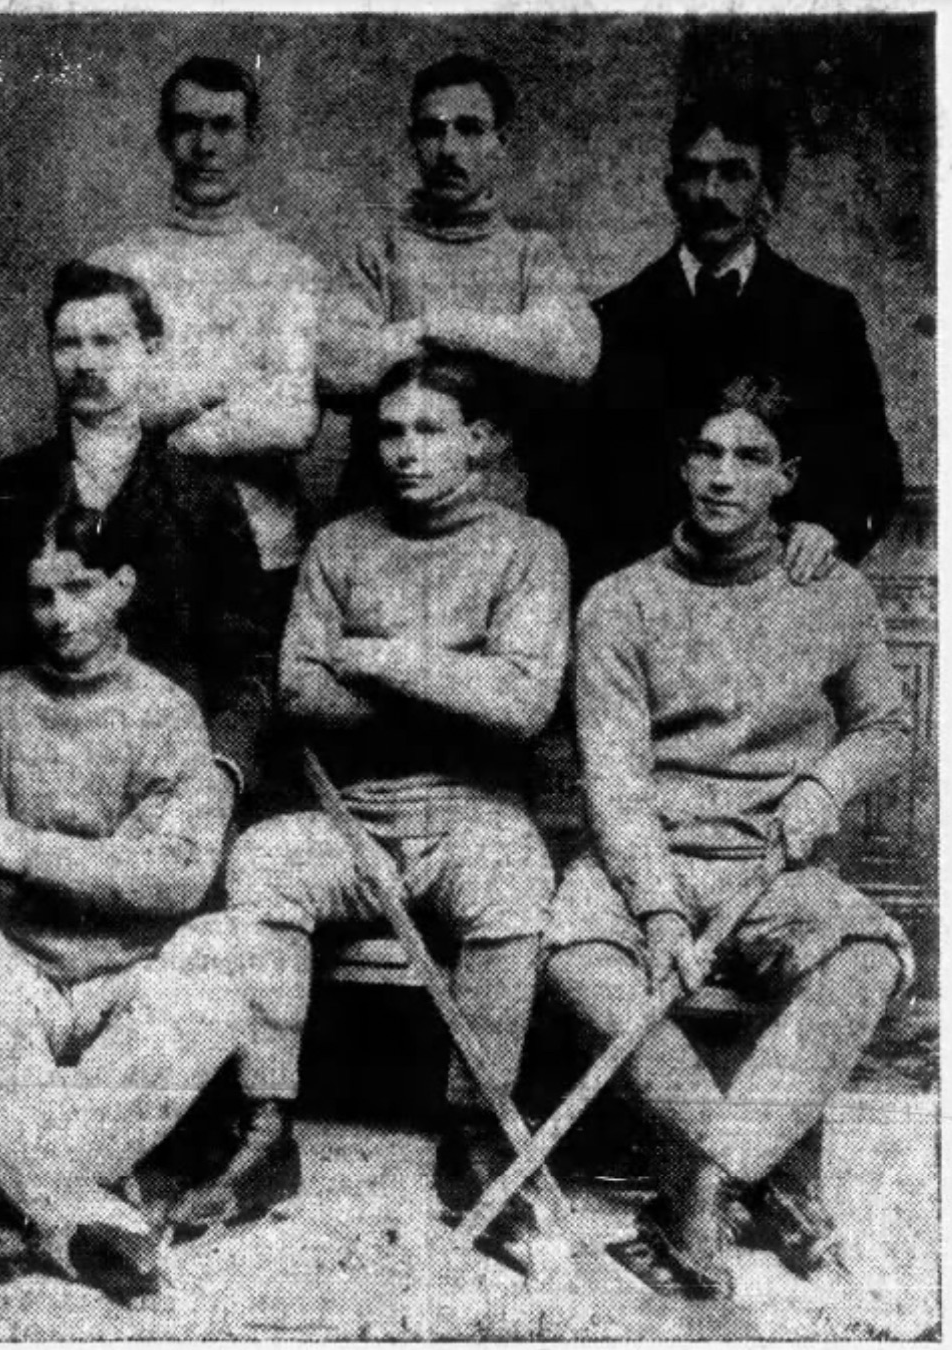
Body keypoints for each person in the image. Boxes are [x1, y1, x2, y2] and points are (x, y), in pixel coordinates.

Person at [183, 354, 569, 1272]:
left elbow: (521, 704)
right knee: (265, 861)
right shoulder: (338, 546)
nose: (405, 451)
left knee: (515, 874)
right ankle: (265, 1126)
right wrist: (457, 684)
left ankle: (476, 1134)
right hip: (350, 814)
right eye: (390, 432)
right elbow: (300, 694)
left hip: (473, 812)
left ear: (481, 441)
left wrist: (379, 656)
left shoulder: (529, 548)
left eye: (430, 430)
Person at [547, 374, 911, 1299]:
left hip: (773, 866)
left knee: (867, 956)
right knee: (580, 960)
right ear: (681, 465)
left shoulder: (834, 593)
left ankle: (704, 1180)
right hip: (646, 857)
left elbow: (885, 727)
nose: (722, 476)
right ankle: (750, 1169)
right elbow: (616, 781)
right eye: (706, 453)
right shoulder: (620, 602)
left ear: (787, 477)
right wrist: (660, 910)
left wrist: (825, 783)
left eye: (751, 458)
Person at [0, 507, 244, 1304]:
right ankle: (83, 1208)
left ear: (122, 586)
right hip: (15, 977)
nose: (60, 615)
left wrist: (24, 852)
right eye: (41, 596)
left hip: (127, 980)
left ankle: (38, 1197)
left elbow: (176, 879)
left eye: (80, 589)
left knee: (232, 951)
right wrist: (107, 868)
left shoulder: (166, 712)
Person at [0, 259, 274, 816]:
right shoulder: (3, 492)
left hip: (165, 777)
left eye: (107, 341)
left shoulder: (202, 498)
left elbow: (247, 664)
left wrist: (221, 770)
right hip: (30, 774)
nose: (86, 362)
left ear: (150, 349)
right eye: (67, 344)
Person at [572, 89, 903, 591]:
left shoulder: (824, 314)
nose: (711, 193)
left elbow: (874, 463)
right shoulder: (610, 319)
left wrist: (830, 527)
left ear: (768, 193)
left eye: (734, 174)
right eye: (695, 173)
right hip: (650, 599)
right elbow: (575, 484)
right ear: (670, 190)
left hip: (780, 594)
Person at [89, 56, 324, 630]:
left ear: (252, 140)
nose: (205, 146)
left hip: (263, 547)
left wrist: (168, 425)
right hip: (135, 541)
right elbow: (97, 409)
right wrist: (228, 390)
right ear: (163, 138)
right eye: (188, 126)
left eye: (224, 126)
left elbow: (292, 420)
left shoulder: (293, 271)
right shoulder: (113, 267)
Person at [319, 53, 599, 514]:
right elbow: (333, 366)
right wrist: (431, 331)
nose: (449, 149)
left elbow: (574, 351)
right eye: (432, 130)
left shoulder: (532, 254)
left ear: (499, 143)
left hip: (496, 509)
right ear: (413, 142)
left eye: (469, 129)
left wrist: (447, 328)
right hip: (379, 508)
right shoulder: (376, 254)